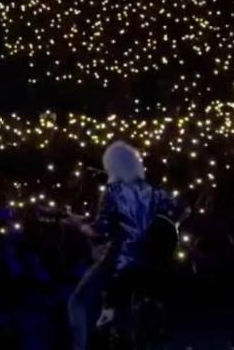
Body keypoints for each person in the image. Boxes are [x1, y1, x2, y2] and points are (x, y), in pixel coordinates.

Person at [66, 141, 182, 350]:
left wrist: (79, 225)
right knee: (125, 312)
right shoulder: (152, 191)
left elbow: (98, 230)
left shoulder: (113, 191)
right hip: (148, 261)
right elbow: (180, 211)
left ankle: (80, 346)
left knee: (78, 301)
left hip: (119, 260)